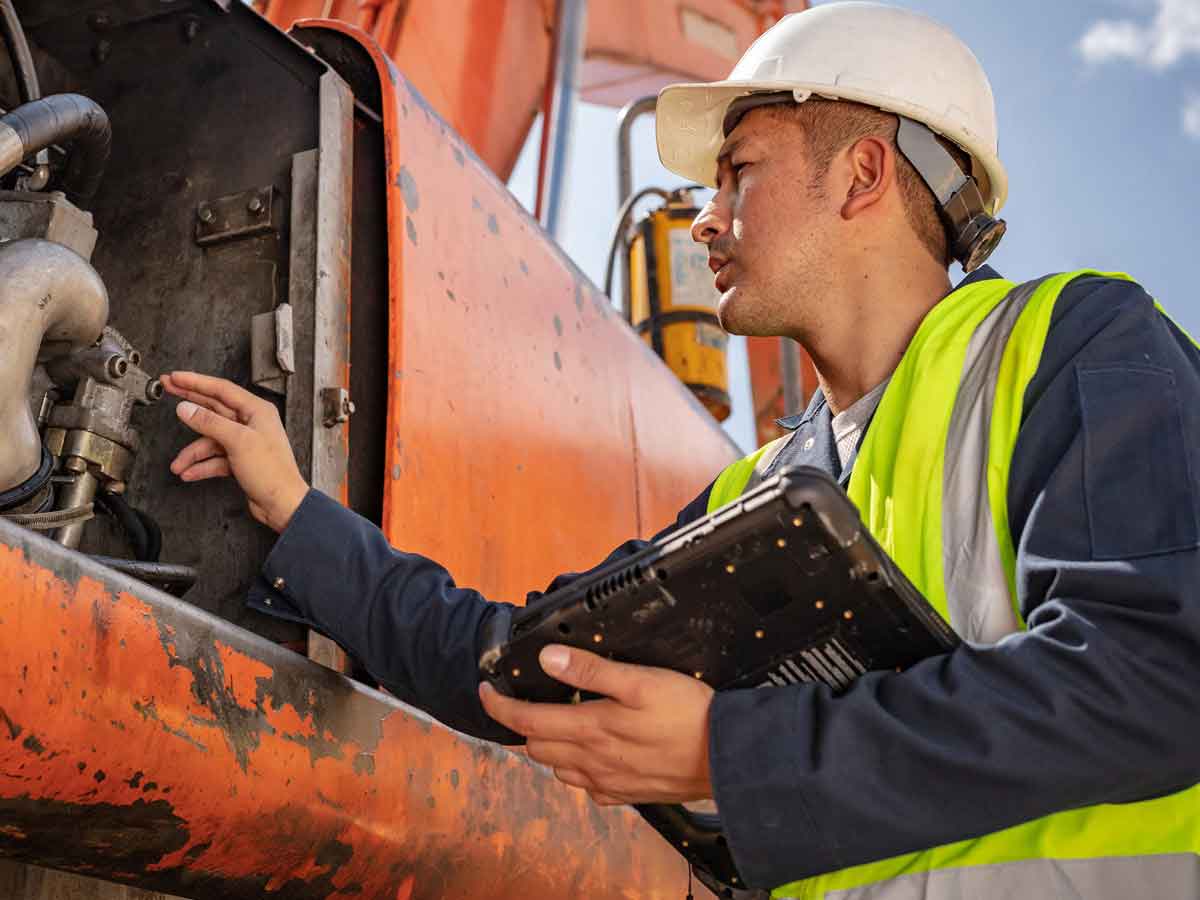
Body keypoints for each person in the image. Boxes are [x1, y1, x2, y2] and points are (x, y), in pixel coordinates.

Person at [160, 3, 1200, 897]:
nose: (705, 221)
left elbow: (1155, 675)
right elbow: (517, 667)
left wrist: (727, 753)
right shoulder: (757, 492)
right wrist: (302, 516)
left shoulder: (1073, 343)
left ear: (864, 174)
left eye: (739, 172)